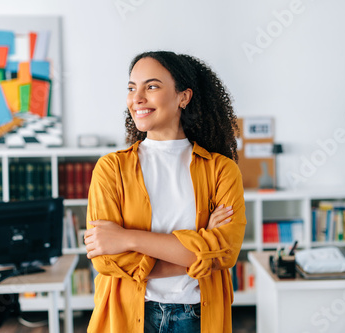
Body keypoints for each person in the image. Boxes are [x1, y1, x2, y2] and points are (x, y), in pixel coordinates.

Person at [84, 50, 246, 333]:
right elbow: (107, 259)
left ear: (183, 97)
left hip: (197, 316)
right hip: (129, 315)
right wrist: (198, 252)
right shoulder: (111, 169)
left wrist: (127, 238)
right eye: (132, 88)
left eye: (152, 86)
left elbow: (226, 252)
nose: (137, 98)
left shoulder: (222, 170)